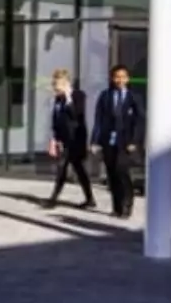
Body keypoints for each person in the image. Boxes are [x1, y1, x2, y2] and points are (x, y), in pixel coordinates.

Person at [92, 64, 142, 219]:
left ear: (127, 79)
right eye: (117, 77)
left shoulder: (134, 97)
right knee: (111, 173)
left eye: (123, 77)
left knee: (122, 171)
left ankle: (127, 204)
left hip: (125, 141)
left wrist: (134, 140)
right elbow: (99, 120)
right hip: (108, 140)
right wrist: (95, 141)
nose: (120, 80)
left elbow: (139, 121)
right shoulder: (105, 95)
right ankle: (117, 207)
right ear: (112, 78)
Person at [42, 68, 93, 210]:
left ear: (66, 83)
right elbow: (56, 119)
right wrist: (54, 138)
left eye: (57, 84)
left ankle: (88, 198)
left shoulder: (78, 95)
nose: (55, 88)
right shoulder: (58, 99)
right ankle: (54, 199)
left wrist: (68, 98)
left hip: (76, 139)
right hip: (64, 140)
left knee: (76, 169)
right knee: (63, 168)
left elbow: (77, 115)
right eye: (54, 84)